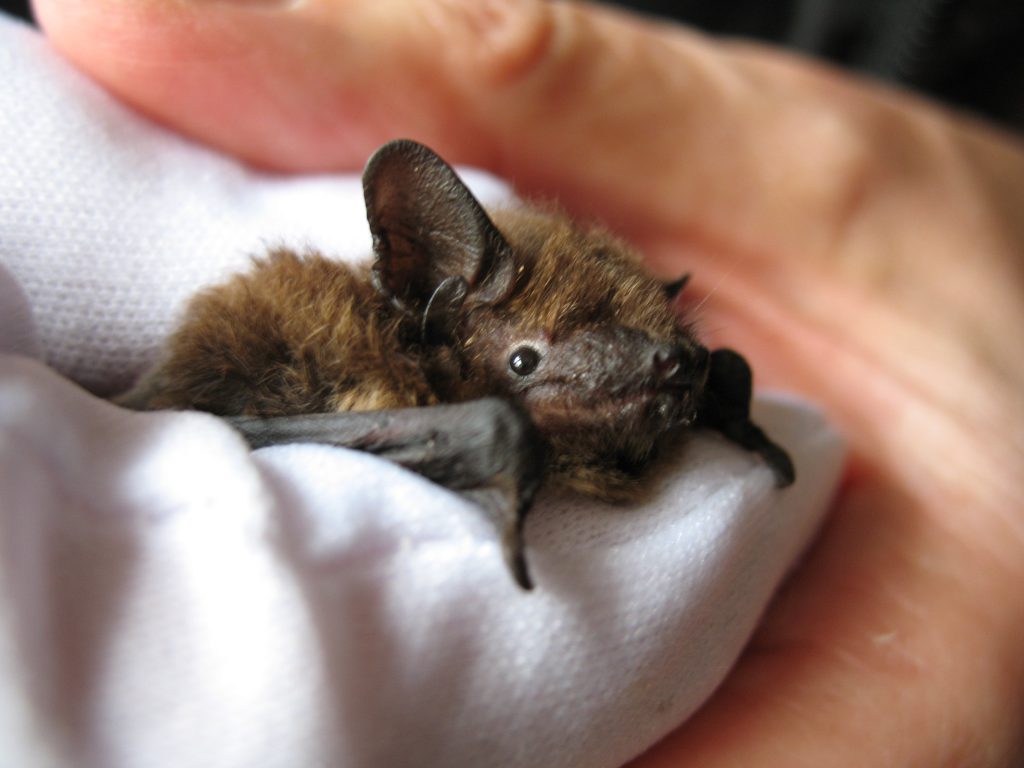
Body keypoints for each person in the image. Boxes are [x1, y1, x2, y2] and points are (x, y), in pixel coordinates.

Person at [30, 0, 1024, 764]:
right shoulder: (334, 351)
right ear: (436, 305)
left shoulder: (664, 386)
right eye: (531, 360)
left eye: (662, 353)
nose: (638, 376)